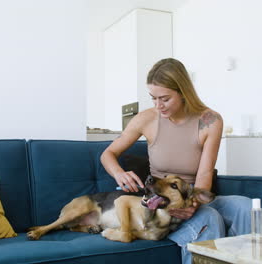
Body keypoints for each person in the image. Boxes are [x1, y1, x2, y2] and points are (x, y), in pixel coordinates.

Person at [100, 58, 251, 264]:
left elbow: (205, 173)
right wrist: (119, 172)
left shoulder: (210, 120)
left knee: (246, 207)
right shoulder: (147, 119)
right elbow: (107, 154)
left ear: (182, 92)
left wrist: (193, 204)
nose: (158, 105)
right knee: (209, 217)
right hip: (162, 199)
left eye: (165, 98)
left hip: (192, 193)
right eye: (153, 98)